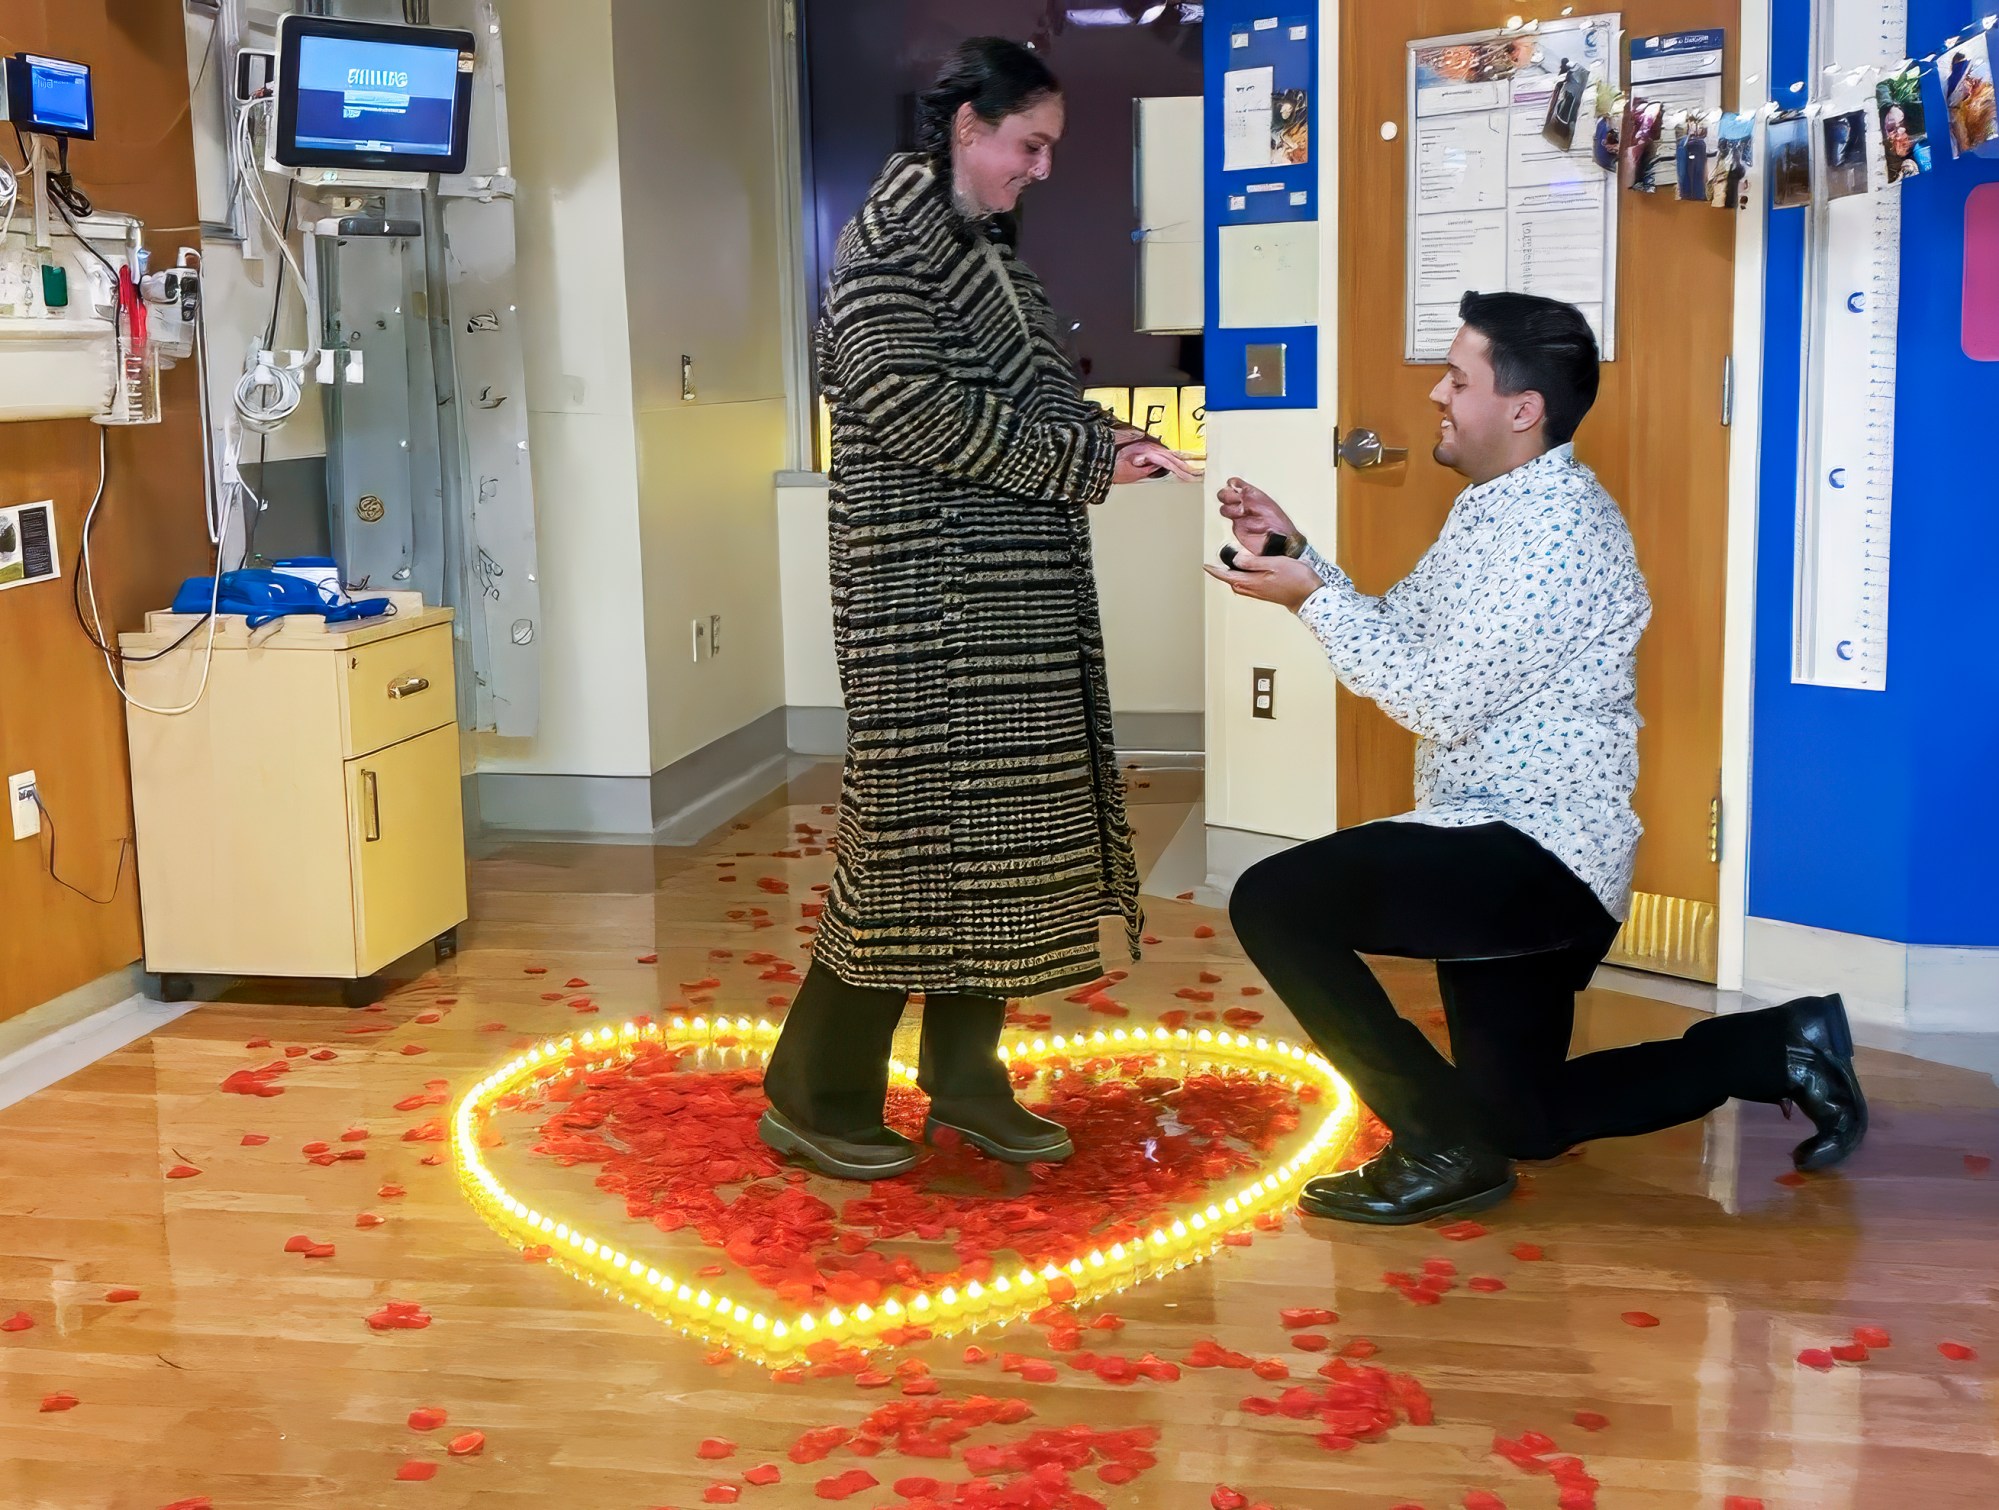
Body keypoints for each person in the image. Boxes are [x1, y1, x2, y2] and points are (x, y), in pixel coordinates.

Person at [1205, 291, 1866, 1226]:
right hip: (1493, 840)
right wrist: (1298, 554)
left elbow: (1431, 697)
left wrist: (1310, 598)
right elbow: (1407, 640)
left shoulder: (1554, 532)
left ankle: (1436, 1143)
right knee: (1520, 1118)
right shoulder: (1495, 510)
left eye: (1457, 378)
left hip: (1533, 852)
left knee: (1273, 898)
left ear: (1522, 409)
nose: (1435, 393)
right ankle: (1776, 1048)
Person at [758, 38, 1197, 1182]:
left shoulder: (984, 252)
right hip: (928, 605)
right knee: (907, 854)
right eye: (1029, 144)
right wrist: (1085, 465)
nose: (1042, 168)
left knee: (997, 856)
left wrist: (1115, 441)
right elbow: (916, 413)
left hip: (1008, 598)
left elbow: (1034, 398)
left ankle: (965, 1081)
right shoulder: (885, 245)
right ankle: (811, 1091)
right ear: (965, 127)